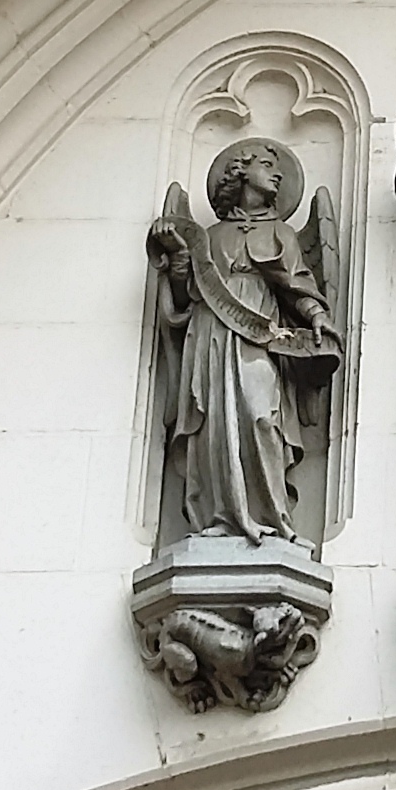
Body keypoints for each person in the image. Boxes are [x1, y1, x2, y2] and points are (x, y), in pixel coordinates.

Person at [148, 138, 338, 543]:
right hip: (211, 335)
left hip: (258, 334)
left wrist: (317, 315)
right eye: (266, 164)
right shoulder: (210, 236)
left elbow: (297, 284)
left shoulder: (282, 233)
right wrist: (177, 257)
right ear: (240, 172)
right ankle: (219, 518)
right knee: (214, 423)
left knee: (260, 415)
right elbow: (185, 296)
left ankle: (272, 518)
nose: (277, 173)